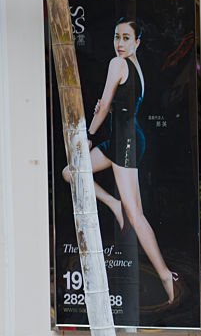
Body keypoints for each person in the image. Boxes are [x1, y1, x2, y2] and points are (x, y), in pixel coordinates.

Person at [62, 18, 178, 304]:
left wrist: (88, 134)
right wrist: (106, 107)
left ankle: (165, 275)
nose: (120, 43)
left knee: (135, 214)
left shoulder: (119, 64)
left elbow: (103, 106)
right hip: (120, 139)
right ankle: (113, 204)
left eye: (127, 38)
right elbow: (111, 104)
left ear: (137, 42)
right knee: (70, 172)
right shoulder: (135, 68)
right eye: (117, 37)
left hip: (125, 142)